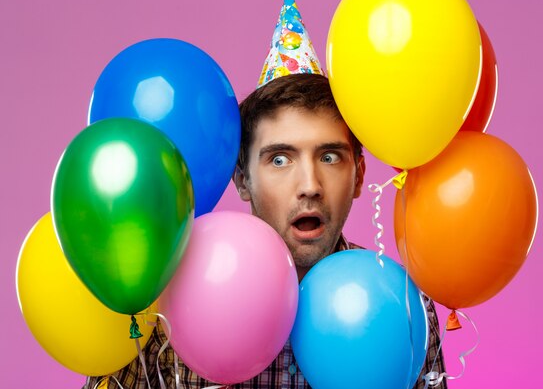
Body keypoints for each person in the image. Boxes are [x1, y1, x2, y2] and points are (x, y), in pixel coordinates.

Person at [85, 73, 447, 389]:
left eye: (329, 157)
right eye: (279, 159)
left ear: (359, 177)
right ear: (242, 179)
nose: (309, 185)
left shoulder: (405, 308)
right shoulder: (165, 302)